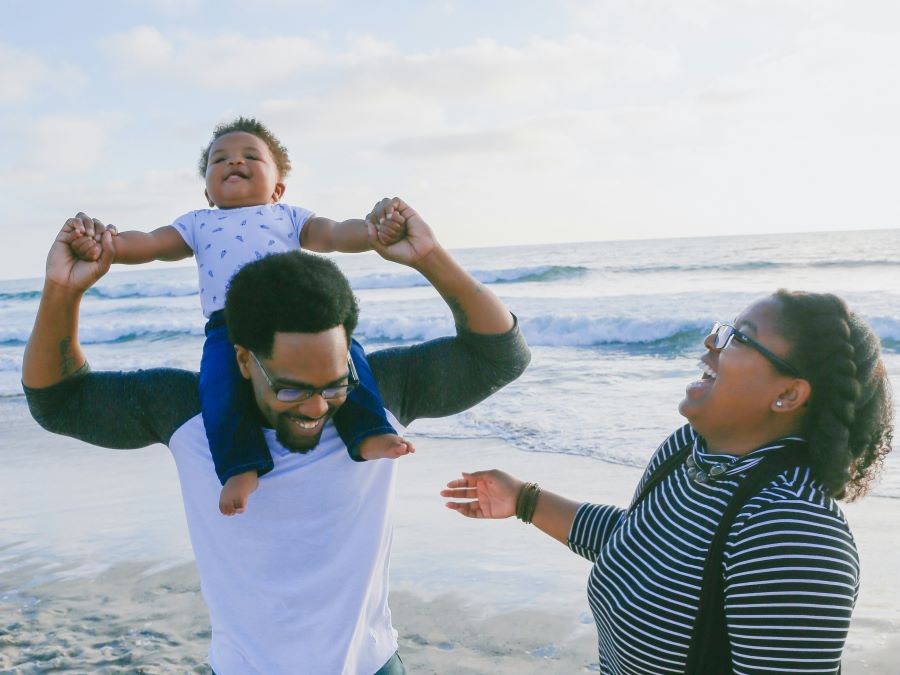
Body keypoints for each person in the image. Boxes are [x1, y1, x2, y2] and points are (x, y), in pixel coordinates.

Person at [23, 198, 531, 674]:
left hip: (371, 665)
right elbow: (59, 401)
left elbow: (502, 355)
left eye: (333, 385)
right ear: (243, 359)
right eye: (290, 390)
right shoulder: (188, 412)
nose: (315, 407)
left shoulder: (378, 397)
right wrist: (63, 292)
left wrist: (430, 257)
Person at [442, 291, 893, 674]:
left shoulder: (792, 533)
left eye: (739, 338)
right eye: (725, 328)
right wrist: (523, 500)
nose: (712, 341)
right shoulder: (688, 450)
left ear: (789, 394)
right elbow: (643, 546)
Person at [67, 116, 411, 516]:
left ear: (278, 188)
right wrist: (105, 244)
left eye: (250, 156)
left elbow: (334, 233)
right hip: (228, 326)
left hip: (296, 316)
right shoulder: (198, 223)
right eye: (220, 159)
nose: (234, 162)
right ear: (208, 192)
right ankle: (240, 466)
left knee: (348, 357)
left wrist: (373, 231)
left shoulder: (289, 216)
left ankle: (369, 432)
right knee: (217, 388)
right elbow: (150, 244)